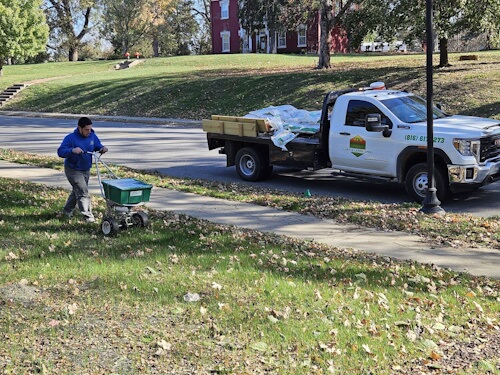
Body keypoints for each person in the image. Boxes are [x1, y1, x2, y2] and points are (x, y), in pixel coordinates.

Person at [57, 117, 108, 222]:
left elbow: (97, 145)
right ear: (79, 128)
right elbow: (60, 152)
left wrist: (102, 148)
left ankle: (67, 211)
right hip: (73, 169)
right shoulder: (70, 138)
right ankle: (88, 217)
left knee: (77, 191)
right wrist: (72, 150)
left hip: (86, 169)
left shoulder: (92, 136)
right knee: (83, 192)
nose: (89, 132)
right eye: (86, 129)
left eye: (90, 129)